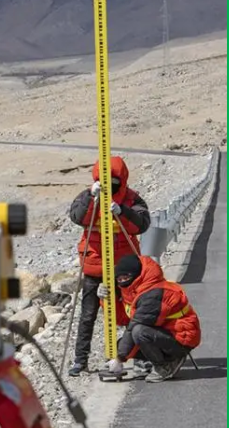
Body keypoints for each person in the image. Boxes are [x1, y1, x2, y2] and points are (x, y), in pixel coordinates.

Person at [68, 157, 151, 376]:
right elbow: (77, 217)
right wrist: (90, 197)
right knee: (88, 315)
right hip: (94, 266)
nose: (110, 185)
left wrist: (123, 211)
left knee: (132, 314)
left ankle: (140, 357)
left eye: (114, 181)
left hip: (124, 269)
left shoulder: (133, 199)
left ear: (121, 180)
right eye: (105, 181)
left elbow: (142, 224)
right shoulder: (88, 196)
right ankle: (80, 360)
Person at [101, 255, 202, 383]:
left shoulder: (154, 294)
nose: (122, 281)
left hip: (181, 337)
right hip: (165, 332)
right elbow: (123, 319)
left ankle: (166, 365)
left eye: (125, 277)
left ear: (136, 275)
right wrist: (106, 299)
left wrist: (119, 359)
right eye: (119, 278)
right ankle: (157, 360)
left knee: (139, 332)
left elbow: (134, 327)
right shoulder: (134, 289)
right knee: (121, 344)